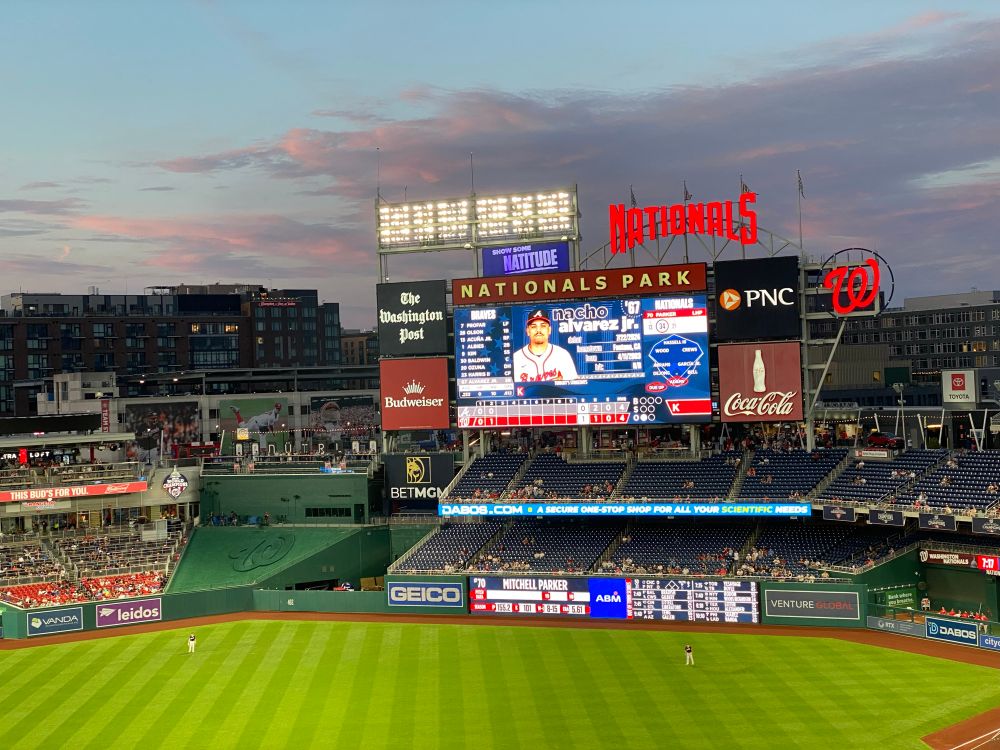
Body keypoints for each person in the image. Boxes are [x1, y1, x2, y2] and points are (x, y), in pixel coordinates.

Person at [512, 309, 578, 382]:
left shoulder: (562, 355)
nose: (538, 330)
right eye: (534, 326)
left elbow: (575, 389)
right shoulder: (516, 359)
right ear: (528, 331)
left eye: (543, 326)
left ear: (549, 330)